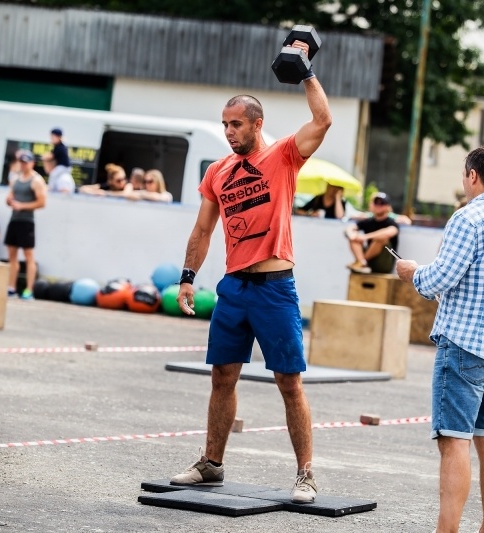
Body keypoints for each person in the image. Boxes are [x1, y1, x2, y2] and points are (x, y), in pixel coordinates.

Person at [170, 44, 331, 505]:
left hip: (275, 287)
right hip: (234, 288)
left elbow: (322, 122)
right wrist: (187, 276)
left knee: (289, 381)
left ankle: (305, 474)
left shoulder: (283, 156)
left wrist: (306, 74)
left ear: (256, 124)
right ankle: (211, 464)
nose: (228, 132)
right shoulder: (219, 172)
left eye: (235, 123)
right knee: (223, 375)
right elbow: (202, 230)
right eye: (224, 124)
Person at [395, 146, 484, 533]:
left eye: (463, 174)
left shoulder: (468, 217)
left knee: (454, 441)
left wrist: (411, 272)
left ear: (472, 175)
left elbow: (439, 279)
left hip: (463, 345)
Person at [5, 150, 47, 299]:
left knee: (29, 255)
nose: (23, 165)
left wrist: (22, 206)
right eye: (21, 162)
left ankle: (29, 290)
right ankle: (11, 287)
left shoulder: (36, 180)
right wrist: (10, 201)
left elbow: (42, 202)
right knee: (12, 254)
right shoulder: (15, 179)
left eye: (26, 162)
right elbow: (9, 197)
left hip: (26, 221)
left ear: (32, 163)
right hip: (14, 220)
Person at [344, 192, 400, 274]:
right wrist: (352, 235)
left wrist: (365, 237)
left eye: (382, 203)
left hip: (384, 264)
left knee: (381, 238)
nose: (378, 205)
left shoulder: (391, 222)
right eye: (376, 202)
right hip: (370, 262)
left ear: (388, 206)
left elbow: (391, 231)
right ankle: (362, 263)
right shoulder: (368, 221)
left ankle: (362, 262)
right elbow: (351, 228)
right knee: (354, 237)